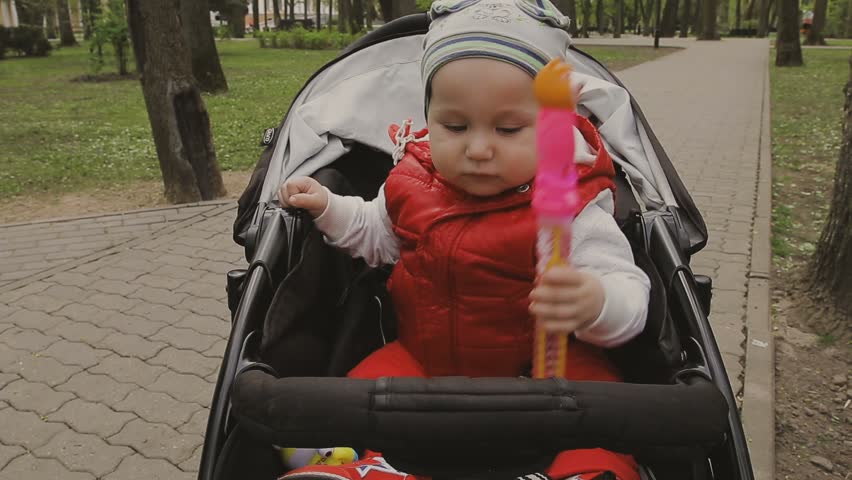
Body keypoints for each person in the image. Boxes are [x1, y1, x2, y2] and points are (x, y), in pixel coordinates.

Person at [277, 1, 651, 479]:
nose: (477, 148)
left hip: (545, 372)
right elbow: (378, 234)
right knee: (336, 406)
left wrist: (598, 301)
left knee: (604, 425)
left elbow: (629, 291)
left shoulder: (570, 205)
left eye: (509, 128)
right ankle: (364, 467)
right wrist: (329, 207)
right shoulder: (412, 182)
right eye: (455, 127)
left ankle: (583, 472)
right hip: (425, 359)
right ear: (428, 116)